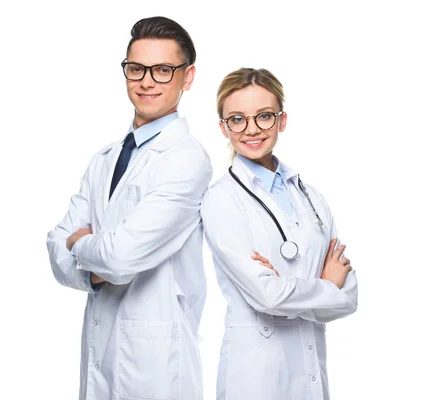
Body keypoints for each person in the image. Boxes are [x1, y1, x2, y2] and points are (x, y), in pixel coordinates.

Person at [46, 16, 212, 400]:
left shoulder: (186, 160)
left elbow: (121, 258)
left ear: (187, 78)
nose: (146, 81)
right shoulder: (104, 159)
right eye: (136, 69)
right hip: (100, 354)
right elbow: (55, 249)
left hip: (155, 367)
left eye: (163, 70)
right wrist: (92, 269)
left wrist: (80, 246)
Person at [201, 67, 358, 399]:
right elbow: (266, 295)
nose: (252, 129)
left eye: (264, 116)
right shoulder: (221, 199)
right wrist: (326, 285)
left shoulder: (312, 197)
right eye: (238, 119)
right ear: (223, 128)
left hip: (311, 370)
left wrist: (288, 291)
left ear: (282, 121)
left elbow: (350, 296)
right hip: (255, 377)